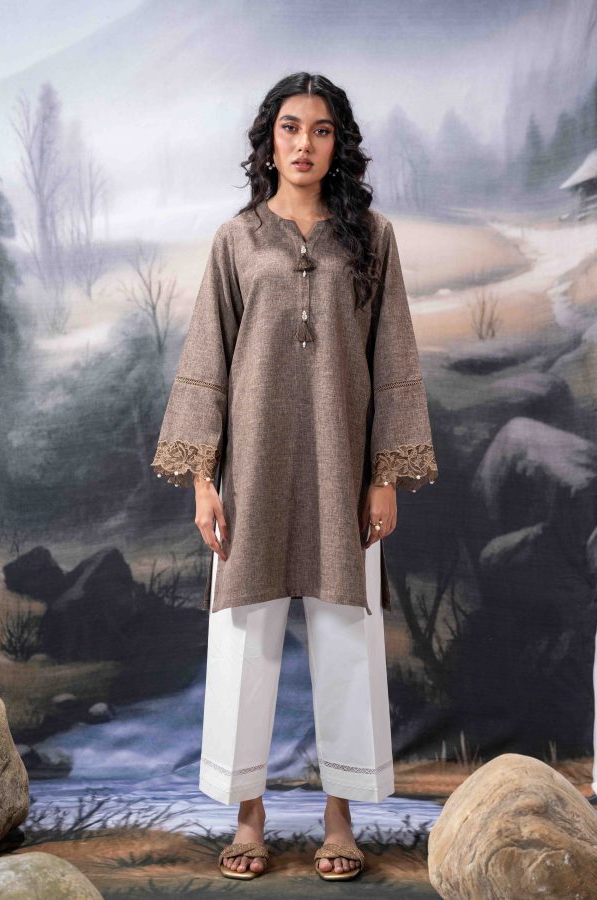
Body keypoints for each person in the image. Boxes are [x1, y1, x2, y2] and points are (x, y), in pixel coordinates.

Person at [150, 72, 438, 881]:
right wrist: (203, 480)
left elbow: (394, 356)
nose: (303, 143)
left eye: (320, 129)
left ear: (338, 144)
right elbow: (207, 360)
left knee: (348, 635)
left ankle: (340, 820)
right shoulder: (237, 240)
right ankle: (249, 817)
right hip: (251, 468)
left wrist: (385, 474)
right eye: (289, 127)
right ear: (268, 141)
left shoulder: (370, 238)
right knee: (245, 636)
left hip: (345, 467)